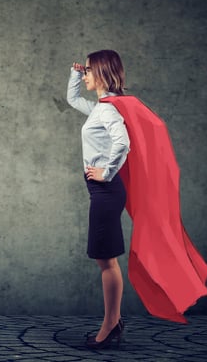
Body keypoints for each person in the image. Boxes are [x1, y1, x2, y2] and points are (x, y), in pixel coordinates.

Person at [67, 50, 129, 349]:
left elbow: (123, 143)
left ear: (103, 73)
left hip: (105, 191)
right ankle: (113, 323)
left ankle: (110, 327)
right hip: (103, 191)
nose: (86, 74)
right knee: (106, 259)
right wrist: (75, 75)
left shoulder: (108, 110)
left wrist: (106, 171)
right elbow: (73, 101)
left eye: (90, 70)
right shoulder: (101, 107)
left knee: (106, 261)